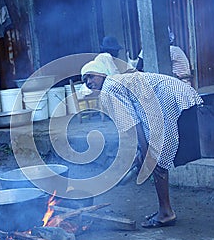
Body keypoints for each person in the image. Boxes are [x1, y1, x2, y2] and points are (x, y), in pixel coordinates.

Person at [80, 58, 203, 228]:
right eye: (85, 80)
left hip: (167, 96)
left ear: (101, 74)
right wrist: (141, 152)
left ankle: (166, 213)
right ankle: (164, 209)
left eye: (91, 77)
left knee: (156, 158)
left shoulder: (109, 87)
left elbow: (132, 123)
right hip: (176, 91)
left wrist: (146, 153)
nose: (88, 82)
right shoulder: (117, 81)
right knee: (155, 156)